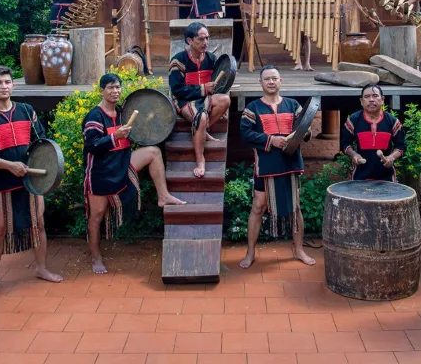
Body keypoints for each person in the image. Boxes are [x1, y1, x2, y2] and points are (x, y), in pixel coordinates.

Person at [83, 73, 185, 274]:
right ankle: (96, 257)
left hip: (122, 162)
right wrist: (114, 137)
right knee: (96, 216)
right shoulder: (94, 117)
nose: (115, 91)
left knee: (154, 152)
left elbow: (139, 133)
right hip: (101, 172)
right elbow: (92, 146)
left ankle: (163, 196)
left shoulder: (122, 112)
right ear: (101, 90)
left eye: (118, 87)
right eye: (111, 88)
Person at [0, 66, 63, 297]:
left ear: (13, 85)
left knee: (39, 224)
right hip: (2, 180)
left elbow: (40, 143)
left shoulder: (27, 111)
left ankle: (41, 268)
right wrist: (9, 166)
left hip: (31, 180)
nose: (4, 86)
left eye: (7, 82)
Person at [238, 65, 316, 269]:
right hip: (265, 165)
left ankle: (299, 250)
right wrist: (271, 140)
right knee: (258, 206)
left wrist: (303, 134)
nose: (271, 82)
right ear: (261, 83)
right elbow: (245, 133)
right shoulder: (252, 108)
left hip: (290, 164)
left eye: (274, 78)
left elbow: (306, 130)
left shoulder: (293, 106)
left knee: (295, 206)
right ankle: (250, 252)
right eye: (267, 79)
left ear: (281, 81)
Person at [168, 22, 231, 178]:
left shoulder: (211, 58)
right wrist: (203, 88)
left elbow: (217, 85)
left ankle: (202, 130)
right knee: (201, 116)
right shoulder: (178, 61)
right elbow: (177, 90)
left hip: (205, 99)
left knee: (225, 100)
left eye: (207, 39)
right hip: (184, 101)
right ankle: (200, 160)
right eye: (201, 39)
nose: (205, 43)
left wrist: (215, 88)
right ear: (190, 41)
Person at [341, 84, 405, 182]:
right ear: (361, 102)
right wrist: (354, 155)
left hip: (386, 177)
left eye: (375, 96)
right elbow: (345, 143)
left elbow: (401, 146)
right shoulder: (353, 120)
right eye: (366, 97)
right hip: (360, 176)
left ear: (382, 99)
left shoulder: (392, 122)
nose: (371, 99)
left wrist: (391, 157)